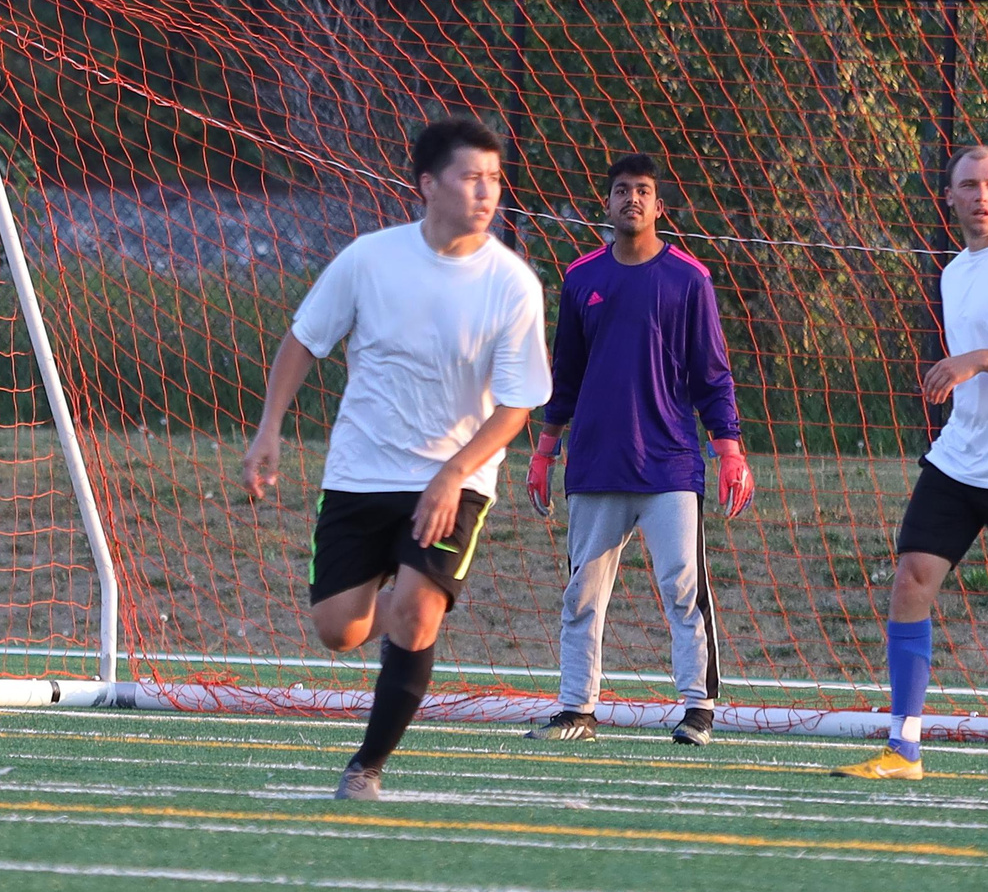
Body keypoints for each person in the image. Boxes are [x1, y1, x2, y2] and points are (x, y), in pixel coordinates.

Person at [242, 117, 549, 800]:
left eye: (494, 179)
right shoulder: (369, 259)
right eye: (471, 177)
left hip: (456, 480)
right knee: (337, 628)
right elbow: (302, 341)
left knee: (414, 610)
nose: (486, 191)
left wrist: (450, 475)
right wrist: (270, 428)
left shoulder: (512, 283)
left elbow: (517, 405)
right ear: (427, 185)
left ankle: (366, 766)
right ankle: (408, 603)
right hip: (360, 472)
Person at [836, 145, 988, 781]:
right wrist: (966, 375)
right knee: (912, 576)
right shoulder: (955, 271)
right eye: (968, 185)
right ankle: (903, 748)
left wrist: (981, 359)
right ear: (950, 197)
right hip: (959, 460)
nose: (980, 195)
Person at [524, 152, 751, 747]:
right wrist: (544, 451)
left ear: (659, 206)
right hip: (596, 462)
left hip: (671, 464)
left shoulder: (688, 278)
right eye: (621, 189)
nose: (632, 199)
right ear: (608, 202)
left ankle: (698, 709)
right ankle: (577, 709)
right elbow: (565, 375)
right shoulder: (581, 279)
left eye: (643, 190)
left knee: (683, 586)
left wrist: (730, 451)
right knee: (582, 595)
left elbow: (713, 376)